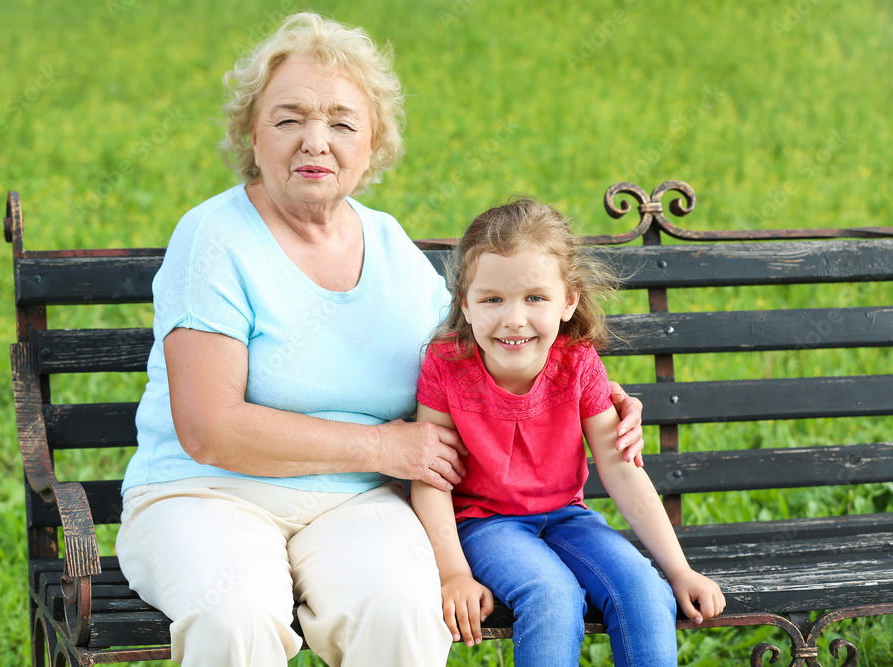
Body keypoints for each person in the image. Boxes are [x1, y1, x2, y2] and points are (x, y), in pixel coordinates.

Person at [115, 13, 646, 667]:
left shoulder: (390, 245)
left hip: (356, 499)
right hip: (206, 492)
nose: (316, 141)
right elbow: (208, 428)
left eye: (341, 122)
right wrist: (384, 444)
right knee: (236, 617)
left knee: (402, 612)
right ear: (253, 134)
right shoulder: (214, 239)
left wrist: (587, 389)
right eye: (289, 119)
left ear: (372, 145)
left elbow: (479, 356)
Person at [411, 197, 726, 666]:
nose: (514, 318)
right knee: (552, 595)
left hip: (567, 517)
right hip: (484, 524)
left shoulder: (577, 364)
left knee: (644, 590)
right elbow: (429, 473)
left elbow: (621, 471)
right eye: (492, 299)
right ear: (466, 305)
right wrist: (453, 571)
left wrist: (679, 570)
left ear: (568, 301)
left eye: (535, 297)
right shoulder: (447, 366)